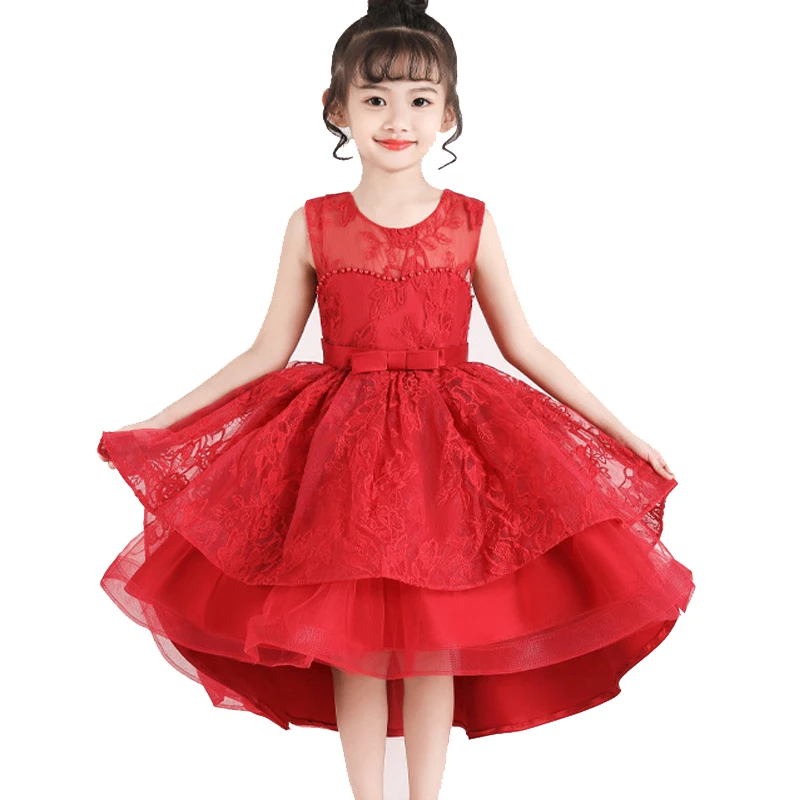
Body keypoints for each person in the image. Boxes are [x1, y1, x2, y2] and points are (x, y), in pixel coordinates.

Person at [96, 1, 695, 798]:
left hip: (449, 454)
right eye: (375, 98)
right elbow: (267, 351)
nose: (397, 119)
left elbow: (524, 344)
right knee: (353, 645)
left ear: (449, 113)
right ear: (336, 108)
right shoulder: (312, 223)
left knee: (435, 639)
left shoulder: (471, 221)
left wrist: (620, 431)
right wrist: (159, 423)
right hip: (343, 455)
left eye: (419, 99)